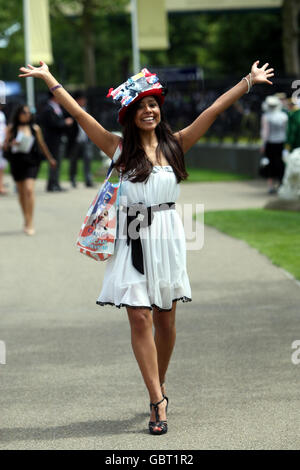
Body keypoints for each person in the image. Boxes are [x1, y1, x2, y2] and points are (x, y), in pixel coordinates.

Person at [19, 59, 274, 434]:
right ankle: (157, 402)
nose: (148, 111)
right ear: (129, 114)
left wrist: (247, 82)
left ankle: (159, 382)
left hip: (168, 236)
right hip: (131, 238)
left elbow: (214, 109)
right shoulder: (116, 147)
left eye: (152, 104)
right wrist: (48, 78)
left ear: (160, 108)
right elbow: (77, 112)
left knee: (166, 320)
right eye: (140, 107)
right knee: (140, 315)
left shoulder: (177, 144)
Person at [3, 104, 56, 235]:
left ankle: (30, 221)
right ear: (18, 114)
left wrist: (50, 159)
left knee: (29, 189)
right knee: (21, 192)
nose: (27, 115)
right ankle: (26, 218)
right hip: (16, 162)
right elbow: (4, 146)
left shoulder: (35, 128)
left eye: (29, 113)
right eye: (24, 112)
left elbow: (42, 144)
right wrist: (11, 143)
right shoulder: (11, 128)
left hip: (32, 162)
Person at [38, 92, 73, 192]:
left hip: (58, 139)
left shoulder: (56, 108)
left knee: (58, 161)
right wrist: (64, 123)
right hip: (52, 140)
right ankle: (52, 184)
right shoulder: (48, 109)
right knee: (54, 161)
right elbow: (52, 124)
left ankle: (55, 183)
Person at [260, 95, 288, 194]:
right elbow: (286, 130)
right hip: (281, 142)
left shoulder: (266, 117)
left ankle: (271, 185)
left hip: (270, 143)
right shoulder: (283, 116)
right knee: (280, 163)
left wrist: (263, 145)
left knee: (270, 164)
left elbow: (265, 133)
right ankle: (280, 183)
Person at [66, 90, 94, 188]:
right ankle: (73, 178)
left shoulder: (86, 109)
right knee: (74, 160)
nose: (84, 101)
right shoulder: (71, 110)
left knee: (88, 159)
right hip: (75, 139)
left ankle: (88, 179)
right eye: (81, 99)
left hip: (86, 138)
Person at [0, 104, 8, 195]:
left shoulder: (2, 114)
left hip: (2, 142)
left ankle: (1, 186)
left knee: (1, 166)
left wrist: (6, 140)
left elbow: (5, 128)